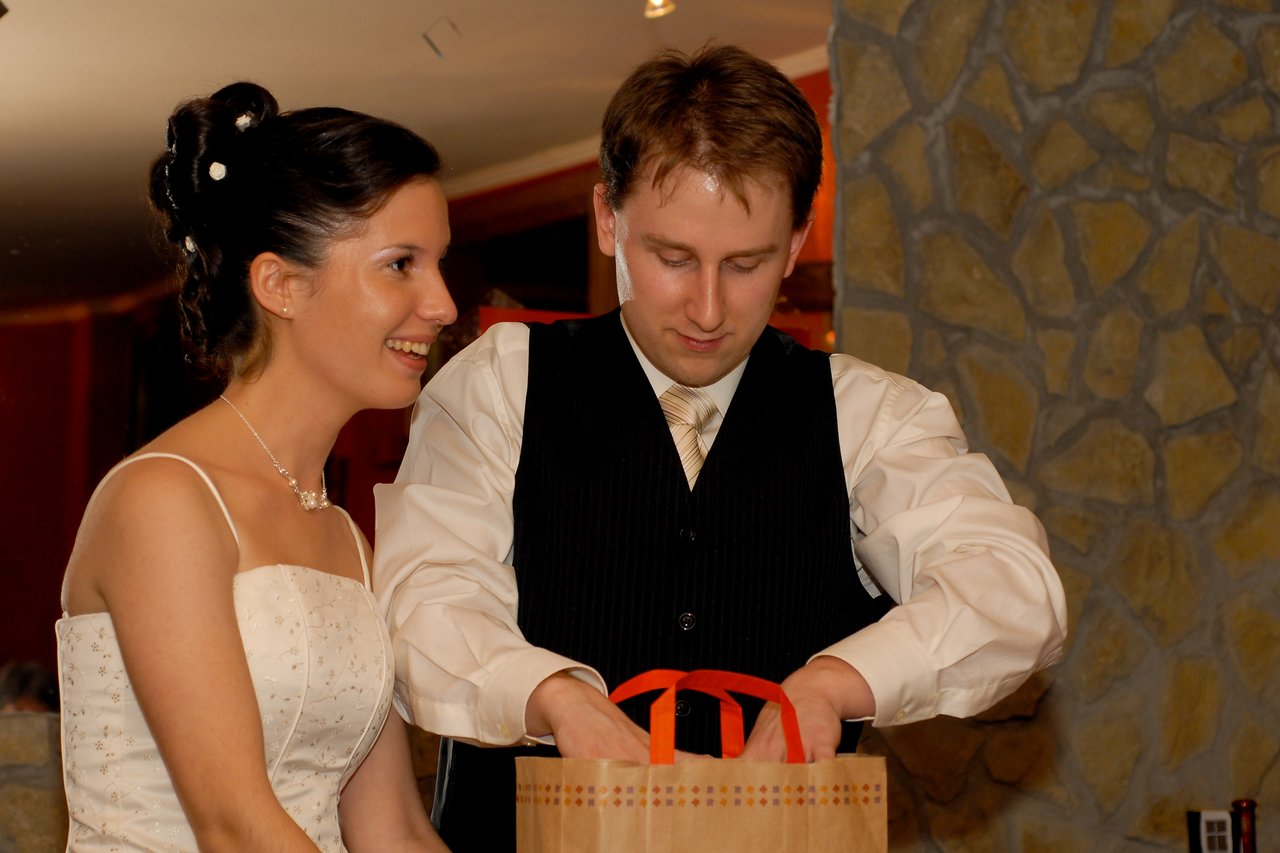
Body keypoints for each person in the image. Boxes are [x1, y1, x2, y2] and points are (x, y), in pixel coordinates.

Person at [373, 44, 1067, 851]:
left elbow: (1012, 589)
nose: (707, 308)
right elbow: (423, 602)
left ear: (797, 240)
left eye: (746, 264)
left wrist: (835, 682)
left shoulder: (871, 414)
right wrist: (554, 696)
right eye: (673, 258)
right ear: (608, 219)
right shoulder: (498, 385)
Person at [57, 81, 454, 852]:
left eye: (439, 263)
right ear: (280, 284)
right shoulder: (161, 497)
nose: (440, 303)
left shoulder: (341, 533)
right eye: (401, 264)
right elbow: (234, 824)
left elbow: (393, 829)